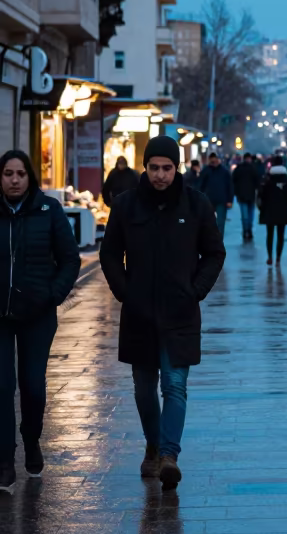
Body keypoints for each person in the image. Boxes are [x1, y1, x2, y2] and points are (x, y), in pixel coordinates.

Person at [100, 136, 225, 490]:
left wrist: (195, 291)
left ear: (177, 168)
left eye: (166, 168)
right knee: (143, 389)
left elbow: (215, 253)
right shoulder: (126, 206)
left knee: (174, 384)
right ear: (145, 167)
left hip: (179, 311)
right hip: (139, 312)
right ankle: (153, 445)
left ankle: (169, 455)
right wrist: (124, 291)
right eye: (154, 167)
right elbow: (109, 253)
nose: (160, 175)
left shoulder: (196, 205)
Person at [0, 150, 81, 492]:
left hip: (37, 315)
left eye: (20, 173)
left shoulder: (49, 210)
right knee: (2, 387)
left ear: (30, 176)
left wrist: (52, 295)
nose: (14, 179)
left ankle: (31, 438)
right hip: (0, 317)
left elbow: (70, 260)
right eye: (7, 173)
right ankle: (5, 460)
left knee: (33, 385)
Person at [258, 155, 287, 265]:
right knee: (281, 235)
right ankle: (278, 258)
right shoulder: (286, 179)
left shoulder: (267, 179)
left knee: (269, 234)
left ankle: (270, 257)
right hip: (282, 210)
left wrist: (262, 207)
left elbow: (261, 194)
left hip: (269, 209)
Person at [199, 151, 234, 236]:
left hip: (221, 200)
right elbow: (200, 185)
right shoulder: (206, 171)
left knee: (220, 223)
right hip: (209, 200)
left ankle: (218, 241)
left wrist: (230, 200)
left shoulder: (224, 171)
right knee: (209, 222)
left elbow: (230, 186)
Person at [232, 152, 259, 242]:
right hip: (251, 194)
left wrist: (235, 192)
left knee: (244, 215)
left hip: (241, 195)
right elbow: (257, 182)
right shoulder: (253, 168)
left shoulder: (238, 169)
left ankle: (245, 231)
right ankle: (249, 229)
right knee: (250, 214)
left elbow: (233, 180)